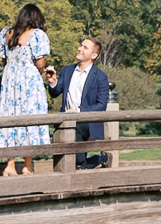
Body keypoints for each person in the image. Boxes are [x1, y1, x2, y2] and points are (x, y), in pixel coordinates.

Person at [0, 3, 52, 175]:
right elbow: (40, 62)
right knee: (29, 116)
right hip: (29, 79)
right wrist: (43, 70)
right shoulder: (36, 35)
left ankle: (10, 164)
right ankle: (27, 164)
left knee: (9, 116)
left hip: (10, 79)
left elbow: (4, 61)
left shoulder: (6, 33)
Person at [45, 36, 112, 169]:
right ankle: (96, 160)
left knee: (76, 159)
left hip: (87, 122)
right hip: (66, 120)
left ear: (94, 55)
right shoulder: (67, 70)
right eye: (80, 45)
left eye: (85, 47)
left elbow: (101, 106)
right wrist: (52, 82)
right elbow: (55, 93)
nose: (79, 48)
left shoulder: (100, 77)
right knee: (73, 162)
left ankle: (91, 161)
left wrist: (79, 112)